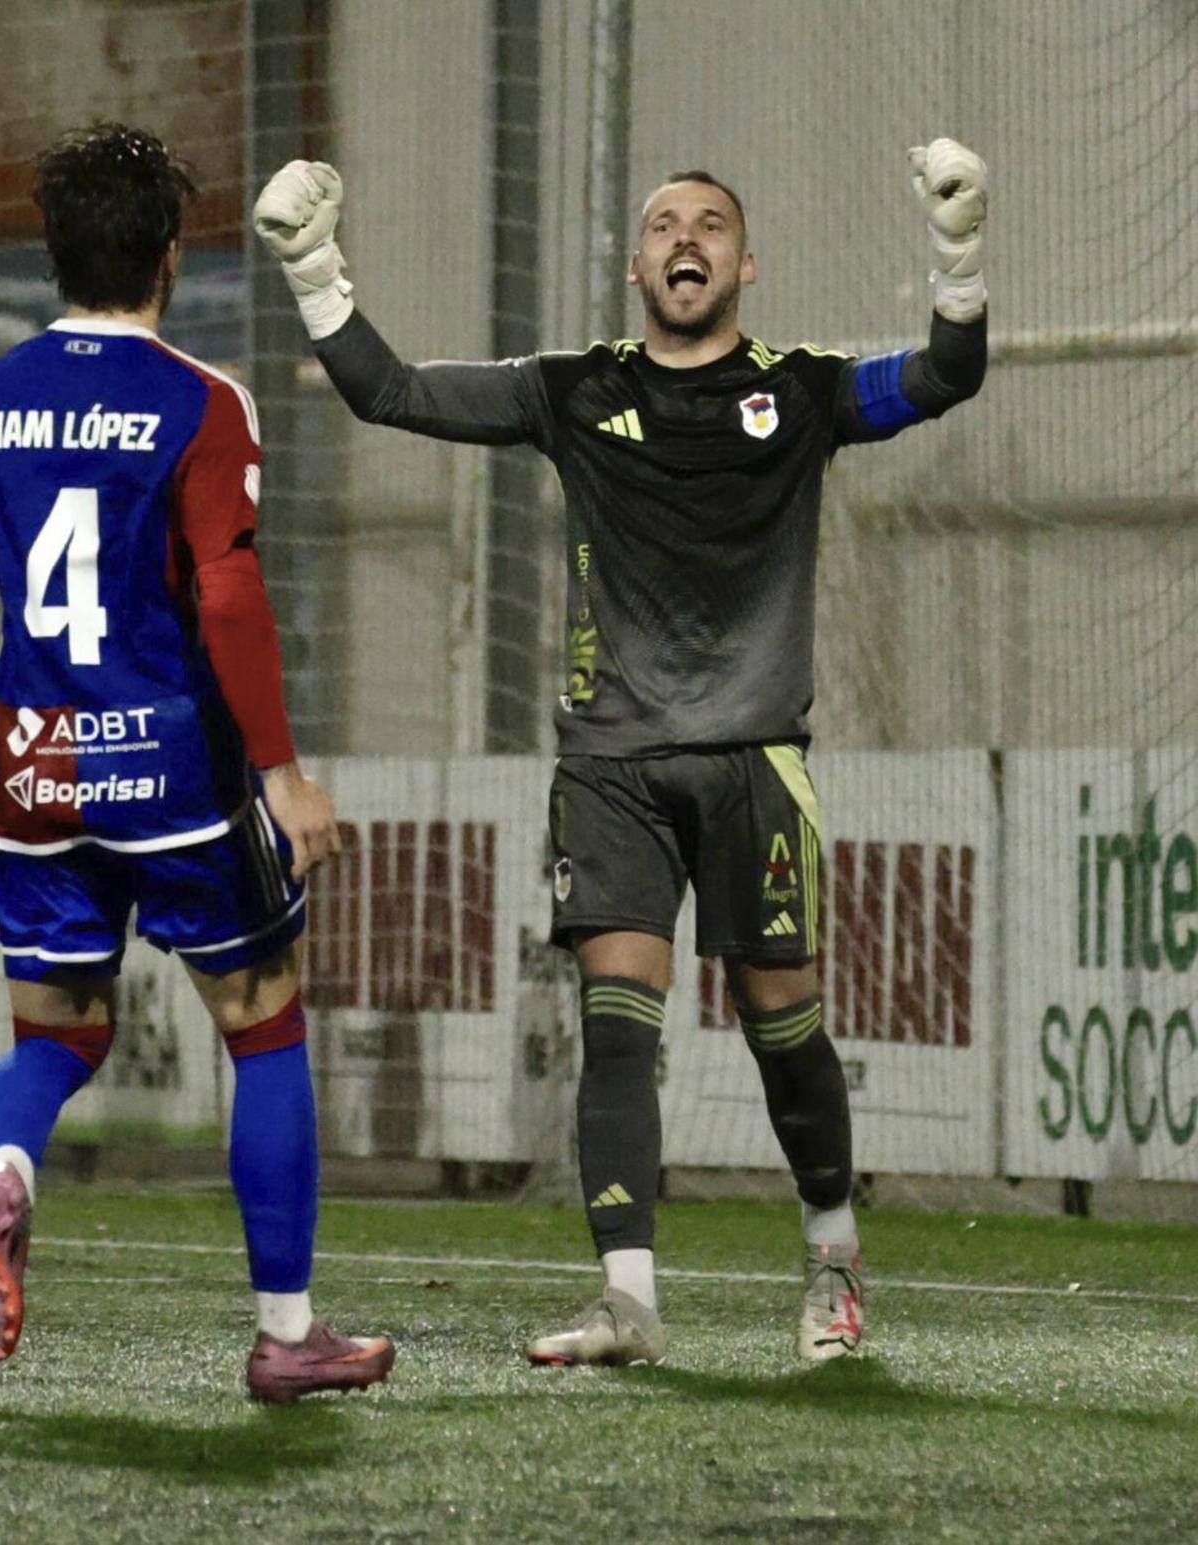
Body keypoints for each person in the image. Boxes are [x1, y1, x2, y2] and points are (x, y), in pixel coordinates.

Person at [254, 137, 988, 1366]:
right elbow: (387, 390)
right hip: (611, 767)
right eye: (661, 225)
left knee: (784, 1023)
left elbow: (946, 377)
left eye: (708, 223)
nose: (683, 239)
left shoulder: (800, 389)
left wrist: (958, 255)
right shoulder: (572, 390)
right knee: (617, 1026)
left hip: (758, 760)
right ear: (632, 263)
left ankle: (834, 1264)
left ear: (746, 262)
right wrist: (311, 265)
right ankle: (630, 1302)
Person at [0, 124, 394, 1402]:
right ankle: (287, 1337)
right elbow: (226, 593)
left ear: (50, 253)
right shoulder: (201, 399)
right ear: (171, 257)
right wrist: (279, 773)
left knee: (56, 1025)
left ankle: (3, 1171)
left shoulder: (1, 393)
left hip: (31, 764)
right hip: (167, 771)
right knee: (261, 1021)